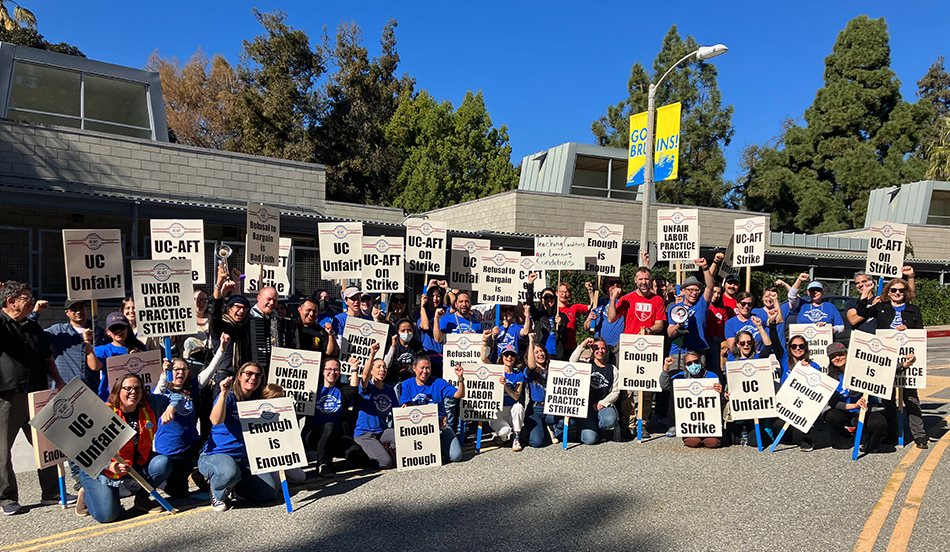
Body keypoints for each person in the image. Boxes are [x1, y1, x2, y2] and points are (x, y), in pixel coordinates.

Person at [1, 281, 70, 515]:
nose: (32, 301)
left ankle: (51, 492)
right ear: (11, 302)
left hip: (37, 395)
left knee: (46, 445)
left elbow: (47, 359)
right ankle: (7, 497)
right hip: (8, 397)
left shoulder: (34, 329)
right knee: (2, 449)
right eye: (26, 298)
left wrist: (58, 381)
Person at [76, 373, 172, 522]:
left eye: (137, 388)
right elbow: (82, 450)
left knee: (162, 464)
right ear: (117, 390)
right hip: (99, 469)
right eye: (128, 388)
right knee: (107, 516)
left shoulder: (149, 405)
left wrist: (171, 408)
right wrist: (110, 466)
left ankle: (141, 500)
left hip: (131, 464)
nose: (133, 392)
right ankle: (86, 494)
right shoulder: (103, 413)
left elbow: (176, 397)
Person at [854, 276, 928, 449]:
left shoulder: (913, 310)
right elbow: (863, 313)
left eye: (901, 290)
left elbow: (920, 333)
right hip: (886, 359)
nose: (897, 293)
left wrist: (908, 330)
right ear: (888, 292)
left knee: (911, 399)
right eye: (893, 290)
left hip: (908, 359)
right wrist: (865, 294)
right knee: (887, 399)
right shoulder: (881, 307)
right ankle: (891, 433)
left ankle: (919, 435)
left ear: (906, 292)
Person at [198, 362, 279, 512]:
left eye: (257, 375)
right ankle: (217, 490)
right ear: (239, 376)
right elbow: (215, 420)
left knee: (269, 493)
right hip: (218, 454)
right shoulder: (228, 397)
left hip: (245, 459)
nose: (253, 377)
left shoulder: (257, 402)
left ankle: (234, 487)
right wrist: (222, 392)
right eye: (248, 373)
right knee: (229, 472)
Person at [607, 265, 667, 436]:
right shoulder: (627, 298)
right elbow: (611, 318)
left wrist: (649, 330)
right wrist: (613, 299)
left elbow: (660, 324)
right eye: (640, 279)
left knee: (646, 389)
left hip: (648, 348)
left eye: (646, 279)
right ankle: (630, 421)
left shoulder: (657, 301)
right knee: (627, 388)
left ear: (651, 280)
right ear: (635, 281)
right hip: (629, 348)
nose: (643, 282)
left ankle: (643, 422)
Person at [154, 354, 220, 498]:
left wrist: (221, 349)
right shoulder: (163, 392)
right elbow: (158, 392)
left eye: (184, 369)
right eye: (176, 369)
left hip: (191, 444)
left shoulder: (190, 388)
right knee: (179, 494)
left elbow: (210, 371)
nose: (181, 372)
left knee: (216, 446)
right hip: (171, 450)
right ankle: (159, 481)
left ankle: (198, 473)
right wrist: (164, 375)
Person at [823, 342, 896, 453]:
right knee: (830, 415)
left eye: (840, 354)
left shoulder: (863, 370)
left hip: (868, 409)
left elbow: (886, 368)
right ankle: (845, 440)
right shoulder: (831, 377)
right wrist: (853, 405)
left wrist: (906, 364)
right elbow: (834, 403)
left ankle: (870, 444)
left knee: (878, 423)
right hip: (848, 410)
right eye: (833, 356)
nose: (837, 358)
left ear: (847, 354)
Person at [303, 357, 363, 476]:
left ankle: (329, 458)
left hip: (335, 436)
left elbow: (352, 391)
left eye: (336, 370)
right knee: (328, 426)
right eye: (329, 369)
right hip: (313, 435)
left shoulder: (340, 389)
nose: (332, 372)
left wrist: (354, 368)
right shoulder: (314, 389)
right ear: (323, 371)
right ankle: (322, 464)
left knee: (358, 456)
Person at [400, 356, 465, 463]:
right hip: (417, 429)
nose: (425, 371)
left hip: (440, 426)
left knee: (456, 456)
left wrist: (460, 378)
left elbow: (459, 394)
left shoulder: (438, 383)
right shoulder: (407, 384)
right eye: (422, 368)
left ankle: (440, 447)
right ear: (414, 368)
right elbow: (406, 408)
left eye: (428, 368)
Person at [37, 299, 106, 392]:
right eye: (74, 309)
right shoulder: (58, 331)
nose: (78, 312)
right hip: (65, 387)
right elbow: (34, 333)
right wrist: (35, 312)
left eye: (81, 308)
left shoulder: (99, 332)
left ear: (87, 309)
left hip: (91, 389)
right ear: (67, 313)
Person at [659, 353, 723, 449]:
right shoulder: (680, 377)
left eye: (696, 362)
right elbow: (665, 385)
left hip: (709, 421)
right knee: (692, 442)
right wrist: (666, 368)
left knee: (712, 443)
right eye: (689, 363)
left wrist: (721, 391)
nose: (693, 365)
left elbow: (721, 398)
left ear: (701, 362)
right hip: (690, 422)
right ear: (685, 366)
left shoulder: (712, 376)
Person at [666, 257, 718, 370]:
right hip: (678, 351)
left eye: (697, 290)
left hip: (698, 351)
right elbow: (670, 333)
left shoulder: (701, 305)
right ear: (683, 291)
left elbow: (710, 287)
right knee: (676, 383)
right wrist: (678, 326)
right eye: (690, 290)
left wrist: (705, 268)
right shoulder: (675, 308)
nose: (694, 293)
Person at [351, 345, 398, 469]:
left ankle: (382, 449)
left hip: (382, 430)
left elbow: (396, 412)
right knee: (385, 463)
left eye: (384, 367)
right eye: (378, 367)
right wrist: (372, 354)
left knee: (404, 440)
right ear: (372, 370)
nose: (382, 369)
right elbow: (365, 376)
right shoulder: (367, 388)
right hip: (365, 433)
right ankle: (364, 455)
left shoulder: (390, 390)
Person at [570, 337, 620, 445]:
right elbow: (572, 361)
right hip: (586, 407)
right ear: (592, 350)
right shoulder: (586, 364)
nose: (600, 351)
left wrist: (602, 403)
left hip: (602, 405)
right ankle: (582, 428)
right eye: (596, 348)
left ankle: (601, 428)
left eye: (603, 348)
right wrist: (584, 343)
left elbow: (616, 391)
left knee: (610, 420)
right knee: (590, 440)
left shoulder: (613, 369)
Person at [86, 312, 147, 400]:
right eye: (113, 328)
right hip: (111, 399)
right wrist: (87, 342)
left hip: (134, 398)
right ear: (108, 332)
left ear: (127, 328)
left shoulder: (139, 346)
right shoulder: (103, 350)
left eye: (121, 327)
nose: (118, 331)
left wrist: (139, 357)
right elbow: (94, 366)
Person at [209, 264, 251, 386]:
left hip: (242, 376)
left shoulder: (243, 327)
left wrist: (237, 283)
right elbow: (215, 309)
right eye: (237, 307)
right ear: (228, 309)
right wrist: (219, 283)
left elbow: (237, 299)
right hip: (223, 374)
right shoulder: (220, 326)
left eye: (245, 309)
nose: (242, 311)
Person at [778, 335, 821, 451]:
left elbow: (817, 391)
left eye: (801, 346)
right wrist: (772, 325)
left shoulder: (814, 366)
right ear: (790, 348)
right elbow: (775, 343)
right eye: (794, 346)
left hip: (804, 402)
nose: (797, 348)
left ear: (806, 348)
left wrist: (809, 372)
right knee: (777, 426)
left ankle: (807, 437)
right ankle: (789, 430)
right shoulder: (784, 361)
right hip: (786, 400)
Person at [480, 341, 525, 451]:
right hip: (497, 411)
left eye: (512, 355)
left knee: (519, 407)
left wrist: (505, 386)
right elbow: (483, 358)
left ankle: (516, 437)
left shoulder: (519, 375)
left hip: (511, 411)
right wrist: (485, 341)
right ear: (502, 357)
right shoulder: (496, 371)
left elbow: (516, 397)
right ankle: (501, 435)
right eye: (506, 355)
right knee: (504, 432)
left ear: (515, 358)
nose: (509, 357)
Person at [258, 384, 305, 484]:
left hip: (283, 455)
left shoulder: (285, 413)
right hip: (267, 458)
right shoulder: (258, 415)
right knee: (276, 485)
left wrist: (293, 416)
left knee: (300, 478)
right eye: (278, 398)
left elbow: (293, 436)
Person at [522, 333, 556, 448]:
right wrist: (531, 342)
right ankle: (540, 431)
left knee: (567, 423)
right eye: (536, 352)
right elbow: (531, 366)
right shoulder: (529, 371)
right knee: (537, 442)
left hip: (551, 407)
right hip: (536, 409)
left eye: (541, 351)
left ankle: (551, 429)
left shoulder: (554, 368)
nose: (540, 354)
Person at [523, 273, 567, 360]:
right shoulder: (538, 315)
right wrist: (530, 284)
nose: (549, 300)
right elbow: (530, 303)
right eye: (546, 298)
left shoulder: (561, 316)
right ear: (541, 300)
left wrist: (561, 325)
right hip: (541, 354)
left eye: (551, 297)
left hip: (556, 355)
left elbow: (565, 339)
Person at [584, 277, 625, 365]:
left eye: (618, 282)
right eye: (611, 283)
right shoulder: (598, 303)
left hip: (618, 347)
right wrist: (590, 319)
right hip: (600, 348)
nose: (615, 285)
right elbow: (586, 327)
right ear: (606, 286)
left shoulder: (625, 301)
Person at [417, 281, 449, 376]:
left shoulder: (444, 311)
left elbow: (454, 303)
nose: (435, 299)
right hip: (429, 357)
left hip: (443, 358)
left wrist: (447, 288)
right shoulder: (423, 313)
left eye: (438, 296)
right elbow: (425, 326)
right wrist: (426, 289)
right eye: (432, 296)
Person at [383, 319, 426, 385]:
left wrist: (409, 368)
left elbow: (421, 365)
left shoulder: (417, 346)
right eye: (403, 330)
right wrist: (393, 346)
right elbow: (386, 365)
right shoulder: (392, 344)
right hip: (393, 380)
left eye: (409, 330)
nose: (406, 333)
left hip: (412, 381)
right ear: (398, 331)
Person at [557, 282, 591, 351]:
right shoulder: (553, 310)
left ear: (570, 295)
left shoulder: (574, 307)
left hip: (571, 347)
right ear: (557, 293)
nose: (564, 294)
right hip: (557, 346)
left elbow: (592, 307)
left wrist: (590, 292)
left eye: (567, 292)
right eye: (562, 292)